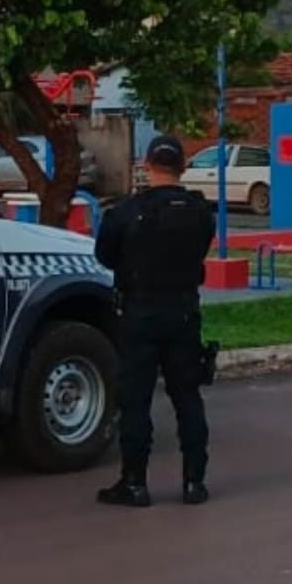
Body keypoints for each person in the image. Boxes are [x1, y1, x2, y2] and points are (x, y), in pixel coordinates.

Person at [94, 135, 216, 507]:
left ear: (146, 165)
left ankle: (134, 483)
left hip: (139, 313)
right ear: (183, 167)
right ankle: (194, 482)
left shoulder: (125, 212)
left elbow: (104, 255)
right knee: (187, 396)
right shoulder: (200, 212)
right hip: (183, 312)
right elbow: (201, 250)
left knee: (136, 400)